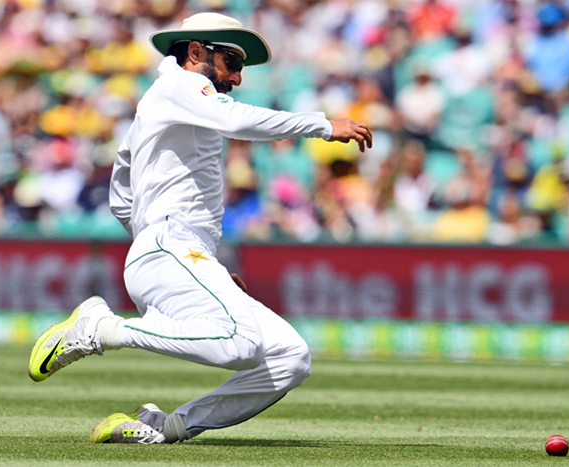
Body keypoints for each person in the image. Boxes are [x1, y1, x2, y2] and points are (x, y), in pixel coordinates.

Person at [27, 12, 372, 445]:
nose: (238, 77)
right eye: (231, 62)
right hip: (168, 243)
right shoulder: (180, 83)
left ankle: (168, 425)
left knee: (290, 357)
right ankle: (101, 329)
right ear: (195, 53)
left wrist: (194, 265)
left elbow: (120, 190)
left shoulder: (163, 102)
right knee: (241, 343)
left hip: (172, 249)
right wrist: (322, 125)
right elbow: (236, 121)